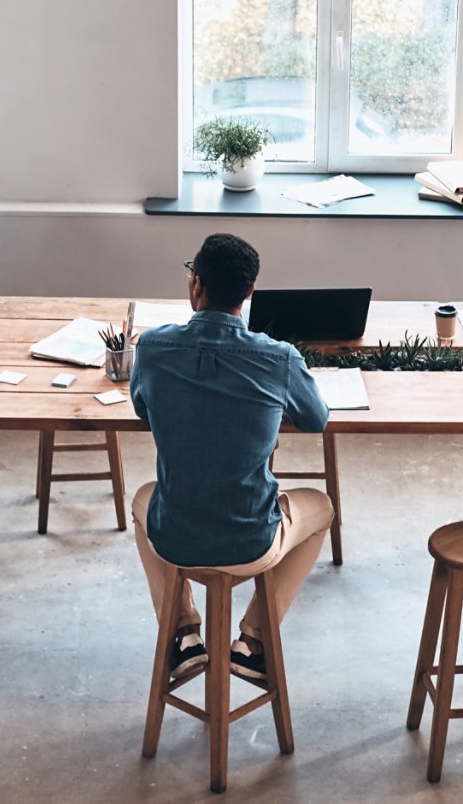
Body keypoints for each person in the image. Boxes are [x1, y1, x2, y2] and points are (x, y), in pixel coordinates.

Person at [130, 233, 334, 680]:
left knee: (143, 498)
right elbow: (316, 417)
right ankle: (254, 641)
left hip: (176, 536)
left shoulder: (151, 348)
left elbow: (142, 409)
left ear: (195, 285)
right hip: (250, 540)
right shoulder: (278, 359)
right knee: (322, 509)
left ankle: (183, 635)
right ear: (250, 293)